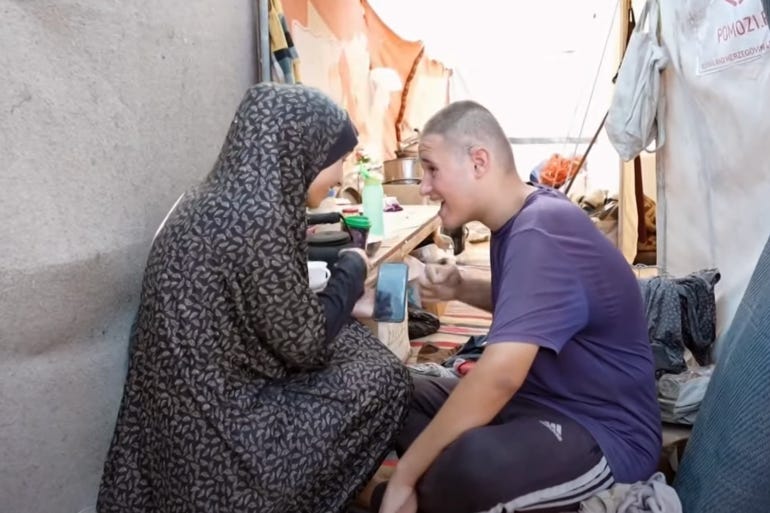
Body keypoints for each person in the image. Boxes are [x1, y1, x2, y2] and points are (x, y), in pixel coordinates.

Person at [97, 83, 412, 513]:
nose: (339, 176)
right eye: (337, 161)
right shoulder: (260, 218)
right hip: (215, 440)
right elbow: (304, 345)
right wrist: (352, 268)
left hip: (171, 421)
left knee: (351, 338)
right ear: (302, 150)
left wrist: (346, 302)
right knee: (385, 379)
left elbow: (263, 309)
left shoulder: (214, 198)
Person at [374, 101, 662, 513]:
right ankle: (434, 491)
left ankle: (403, 494)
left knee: (474, 464)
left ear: (478, 162)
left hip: (602, 433)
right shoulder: (517, 219)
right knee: (396, 390)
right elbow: (536, 305)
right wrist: (459, 285)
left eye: (432, 169)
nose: (424, 187)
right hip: (532, 406)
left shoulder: (541, 228)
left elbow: (500, 378)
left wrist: (403, 476)